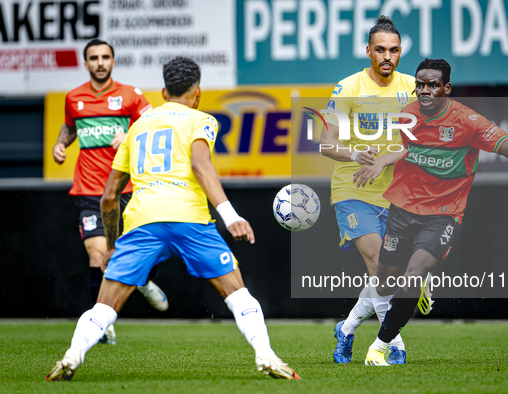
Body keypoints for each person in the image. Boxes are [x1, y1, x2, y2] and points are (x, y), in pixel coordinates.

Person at [46, 57, 300, 381]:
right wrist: (230, 214)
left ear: (164, 91)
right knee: (237, 294)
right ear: (198, 92)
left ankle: (72, 355)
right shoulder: (201, 119)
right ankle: (266, 356)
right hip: (189, 219)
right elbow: (201, 166)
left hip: (143, 221)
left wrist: (112, 245)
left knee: (105, 306)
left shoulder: (136, 127)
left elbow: (109, 196)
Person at [357, 58, 508, 365]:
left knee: (412, 276)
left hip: (444, 213)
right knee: (384, 283)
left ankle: (379, 347)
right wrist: (384, 160)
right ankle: (394, 303)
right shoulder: (407, 115)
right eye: (420, 84)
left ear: (446, 88)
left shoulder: (467, 122)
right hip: (402, 208)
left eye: (432, 85)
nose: (425, 91)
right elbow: (409, 148)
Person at [52, 39, 169, 344]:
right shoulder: (73, 97)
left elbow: (155, 125)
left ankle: (142, 281)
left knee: (145, 249)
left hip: (127, 186)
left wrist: (129, 134)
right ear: (86, 63)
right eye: (94, 58)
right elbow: (71, 127)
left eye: (105, 57)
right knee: (98, 252)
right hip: (89, 189)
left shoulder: (131, 95)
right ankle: (100, 323)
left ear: (113, 61)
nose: (100, 62)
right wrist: (61, 143)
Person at [320, 15, 415, 364]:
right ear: (368, 52)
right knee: (378, 264)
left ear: (400, 51)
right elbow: (326, 145)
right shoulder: (349, 89)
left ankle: (346, 329)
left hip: (396, 195)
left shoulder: (412, 88)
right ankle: (393, 345)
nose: (387, 56)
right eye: (380, 50)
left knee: (388, 272)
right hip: (352, 190)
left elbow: (422, 142)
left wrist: (385, 160)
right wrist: (355, 152)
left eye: (393, 50)